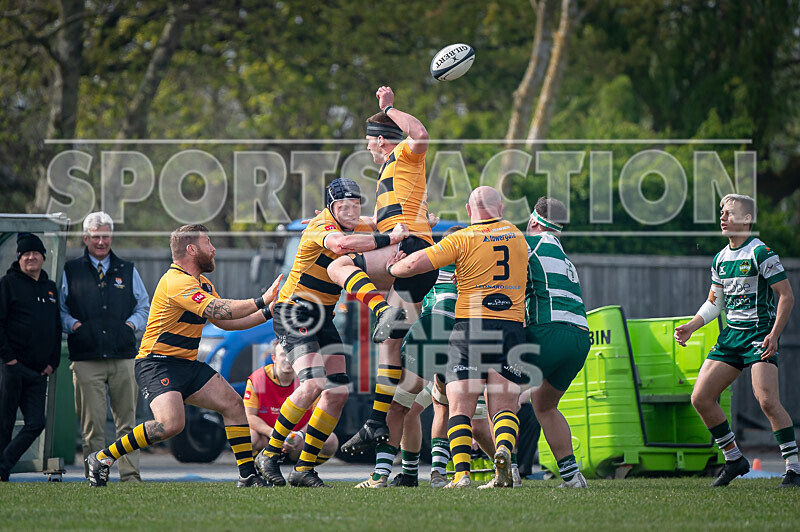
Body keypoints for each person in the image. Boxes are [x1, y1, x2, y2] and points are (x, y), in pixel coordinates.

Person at [85, 224, 282, 488]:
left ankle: (247, 476)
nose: (213, 249)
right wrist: (262, 300)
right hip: (157, 364)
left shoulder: (202, 283)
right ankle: (101, 458)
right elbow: (219, 308)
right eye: (208, 243)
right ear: (191, 249)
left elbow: (225, 321)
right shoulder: (176, 282)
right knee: (170, 425)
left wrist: (270, 312)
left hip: (186, 364)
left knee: (233, 405)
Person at [256, 178, 408, 488]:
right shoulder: (320, 225)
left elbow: (375, 221)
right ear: (330, 207)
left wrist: (418, 221)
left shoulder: (358, 224)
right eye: (343, 207)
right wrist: (389, 237)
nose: (350, 212)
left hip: (323, 315)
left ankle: (304, 468)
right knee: (313, 384)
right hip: (293, 310)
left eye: (355, 206)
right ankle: (269, 455)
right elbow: (342, 245)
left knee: (338, 392)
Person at [385, 186, 531, 488]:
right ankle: (503, 452)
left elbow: (414, 265)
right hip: (512, 326)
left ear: (468, 210)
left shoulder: (462, 238)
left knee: (459, 405)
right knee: (503, 406)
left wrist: (391, 266)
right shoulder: (518, 237)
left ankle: (461, 474)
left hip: (472, 326)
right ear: (500, 209)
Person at [326, 86, 436, 454]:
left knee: (338, 265)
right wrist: (338, 219)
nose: (367, 148)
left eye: (368, 141)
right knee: (389, 346)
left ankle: (380, 308)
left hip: (409, 252)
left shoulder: (403, 154)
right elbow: (384, 222)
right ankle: (376, 423)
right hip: (412, 260)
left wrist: (388, 108)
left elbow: (420, 134)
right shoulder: (391, 172)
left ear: (380, 140)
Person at [675, 194, 797, 487]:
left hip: (759, 335)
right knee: (700, 398)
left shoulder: (761, 253)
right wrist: (692, 325)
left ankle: (793, 467)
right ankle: (733, 459)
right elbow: (714, 303)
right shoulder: (719, 258)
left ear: (746, 220)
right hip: (731, 337)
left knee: (767, 400)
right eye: (721, 213)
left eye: (729, 213)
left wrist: (774, 334)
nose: (723, 217)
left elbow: (786, 296)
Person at [60, 211, 150, 482]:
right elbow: (60, 310)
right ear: (85, 238)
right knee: (93, 427)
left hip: (123, 357)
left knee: (126, 424)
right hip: (86, 360)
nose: (101, 241)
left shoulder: (127, 269)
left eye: (106, 235)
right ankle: (95, 477)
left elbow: (144, 306)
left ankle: (130, 476)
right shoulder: (70, 271)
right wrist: (75, 326)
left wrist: (130, 327)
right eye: (96, 236)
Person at [521, 197, 591, 488]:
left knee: (499, 392)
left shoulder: (531, 243)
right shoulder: (563, 255)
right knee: (545, 404)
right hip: (579, 337)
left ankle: (508, 469)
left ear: (534, 221)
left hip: (549, 331)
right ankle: (572, 476)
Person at [0, 233, 61, 481]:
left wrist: (52, 363)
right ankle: (2, 474)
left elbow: (56, 327)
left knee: (36, 422)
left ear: (44, 257)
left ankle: (3, 464)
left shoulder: (50, 288)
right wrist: (10, 360)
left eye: (36, 253)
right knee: (4, 423)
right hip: (12, 368)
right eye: (26, 254)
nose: (32, 257)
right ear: (19, 258)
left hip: (38, 372)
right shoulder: (7, 284)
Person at [244, 341, 338, 464]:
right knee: (249, 437)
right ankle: (257, 467)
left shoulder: (309, 380)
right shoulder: (257, 379)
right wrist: (275, 434)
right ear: (274, 358)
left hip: (297, 440)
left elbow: (318, 415)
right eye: (283, 354)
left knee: (331, 441)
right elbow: (249, 416)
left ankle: (303, 468)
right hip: (267, 438)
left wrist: (299, 435)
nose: (288, 359)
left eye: (292, 355)